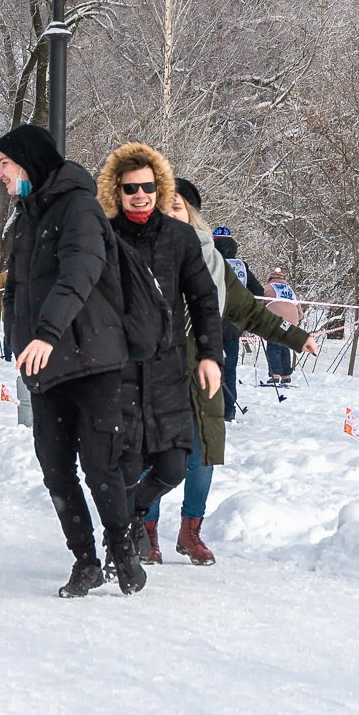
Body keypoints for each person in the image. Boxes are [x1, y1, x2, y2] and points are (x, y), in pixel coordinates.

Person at [0, 122, 142, 596]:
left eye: (4, 163)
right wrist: (20, 340)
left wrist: (47, 333)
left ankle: (123, 552)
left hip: (93, 359)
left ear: (29, 162)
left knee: (101, 467)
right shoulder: (26, 217)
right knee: (55, 468)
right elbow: (15, 287)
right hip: (45, 366)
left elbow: (79, 273)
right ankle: (85, 560)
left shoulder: (79, 207)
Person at [146, 178, 315, 564]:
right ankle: (146, 532)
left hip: (204, 373)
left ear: (191, 214)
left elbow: (250, 311)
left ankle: (191, 533)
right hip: (154, 372)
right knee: (151, 454)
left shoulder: (214, 262)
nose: (171, 215)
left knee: (202, 456)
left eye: (178, 208)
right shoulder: (140, 254)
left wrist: (294, 336)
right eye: (163, 208)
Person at [99, 143, 224, 567]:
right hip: (119, 368)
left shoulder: (179, 236)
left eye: (148, 187)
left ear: (159, 187)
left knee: (173, 465)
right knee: (127, 461)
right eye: (131, 187)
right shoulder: (105, 234)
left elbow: (204, 298)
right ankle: (122, 537)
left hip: (169, 368)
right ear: (117, 190)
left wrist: (210, 355)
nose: (140, 195)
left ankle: (131, 515)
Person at [211, 224, 246, 417]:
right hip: (234, 325)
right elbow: (257, 293)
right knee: (230, 368)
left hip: (210, 323)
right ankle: (229, 409)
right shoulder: (242, 266)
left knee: (208, 365)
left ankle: (211, 408)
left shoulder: (208, 261)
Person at [262, 270, 300, 390]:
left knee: (274, 347)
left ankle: (275, 374)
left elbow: (261, 302)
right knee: (284, 347)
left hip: (275, 319)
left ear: (269, 279)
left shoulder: (268, 287)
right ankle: (286, 375)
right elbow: (299, 310)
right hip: (291, 321)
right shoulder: (289, 289)